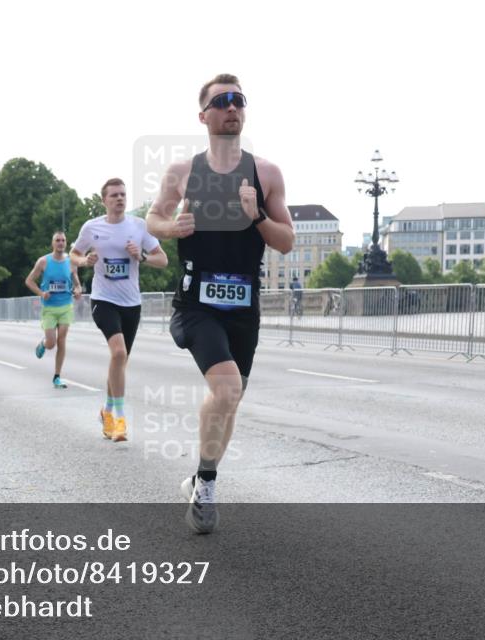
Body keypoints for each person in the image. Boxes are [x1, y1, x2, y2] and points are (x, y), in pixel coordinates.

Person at [147, 74, 294, 533]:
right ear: (203, 115)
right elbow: (153, 218)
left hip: (244, 305)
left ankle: (199, 477)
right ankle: (207, 484)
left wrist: (258, 217)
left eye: (239, 100)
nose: (232, 107)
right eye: (222, 101)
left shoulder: (265, 173)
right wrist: (173, 229)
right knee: (228, 389)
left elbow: (286, 241)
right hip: (197, 303)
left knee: (230, 399)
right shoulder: (182, 172)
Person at [71, 178, 167, 442]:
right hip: (103, 299)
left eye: (123, 194)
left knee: (119, 361)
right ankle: (119, 420)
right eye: (114, 195)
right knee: (118, 352)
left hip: (131, 303)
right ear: (104, 200)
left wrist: (142, 256)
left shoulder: (139, 227)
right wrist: (85, 260)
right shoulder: (92, 227)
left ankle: (107, 409)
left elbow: (163, 259)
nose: (120, 199)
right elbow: (74, 255)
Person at [25, 230, 83, 388]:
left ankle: (57, 376)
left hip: (66, 306)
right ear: (53, 243)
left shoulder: (71, 262)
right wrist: (41, 293)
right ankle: (43, 344)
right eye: (57, 240)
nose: (61, 243)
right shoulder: (43, 262)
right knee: (52, 343)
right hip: (49, 308)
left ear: (65, 243)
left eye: (63, 240)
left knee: (62, 340)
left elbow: (77, 284)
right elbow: (29, 281)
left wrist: (78, 291)